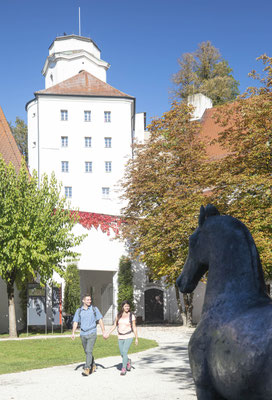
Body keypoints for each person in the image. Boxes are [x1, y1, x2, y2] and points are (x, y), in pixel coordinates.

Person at [71, 294, 107, 376]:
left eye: (90, 299)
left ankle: (87, 368)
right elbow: (75, 322)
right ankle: (93, 365)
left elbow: (100, 320)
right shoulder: (79, 310)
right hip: (83, 334)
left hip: (92, 333)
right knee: (87, 352)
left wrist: (103, 331)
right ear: (83, 301)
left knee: (88, 351)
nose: (89, 301)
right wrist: (73, 333)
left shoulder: (94, 309)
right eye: (87, 300)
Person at [105, 300, 138, 376]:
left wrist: (136, 338)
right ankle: (128, 361)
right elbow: (114, 326)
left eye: (128, 306)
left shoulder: (131, 316)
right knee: (122, 354)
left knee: (125, 351)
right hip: (120, 336)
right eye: (125, 306)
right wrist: (108, 333)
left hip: (129, 336)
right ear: (122, 307)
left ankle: (124, 368)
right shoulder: (118, 315)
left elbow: (134, 327)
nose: (127, 307)